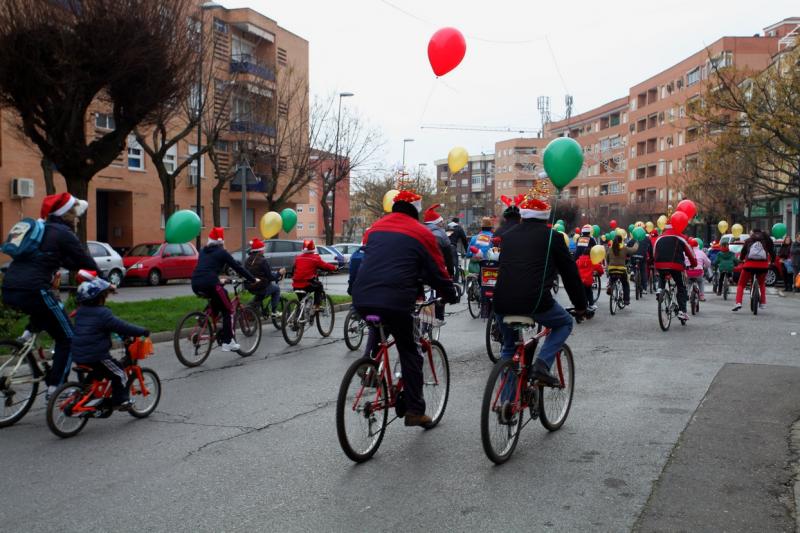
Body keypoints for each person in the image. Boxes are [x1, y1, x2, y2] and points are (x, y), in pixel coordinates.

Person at [352, 189, 458, 428]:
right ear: (416, 210)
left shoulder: (375, 228)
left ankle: (369, 366)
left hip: (362, 297)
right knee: (410, 351)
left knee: (378, 326)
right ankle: (414, 411)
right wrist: (450, 294)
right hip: (397, 300)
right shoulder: (421, 232)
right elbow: (437, 270)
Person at [2, 193, 98, 397]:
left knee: (46, 313)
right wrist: (103, 275)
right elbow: (84, 259)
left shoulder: (44, 231)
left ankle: (26, 336)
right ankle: (56, 388)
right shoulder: (63, 233)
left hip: (10, 288)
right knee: (68, 338)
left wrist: (74, 267)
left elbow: (64, 261)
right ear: (67, 214)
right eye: (75, 213)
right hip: (35, 289)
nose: (78, 218)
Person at [493, 189, 589, 387]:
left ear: (523, 215)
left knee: (509, 350)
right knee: (564, 323)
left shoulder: (508, 236)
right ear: (545, 215)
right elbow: (570, 274)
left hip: (501, 302)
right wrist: (581, 306)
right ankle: (542, 364)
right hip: (535, 301)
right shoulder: (553, 237)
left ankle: (506, 405)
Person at [71, 278, 149, 410]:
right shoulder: (103, 313)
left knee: (97, 373)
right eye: (104, 296)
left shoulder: (80, 312)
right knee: (120, 373)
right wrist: (142, 331)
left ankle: (85, 396)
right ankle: (121, 400)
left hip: (78, 354)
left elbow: (95, 329)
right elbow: (121, 326)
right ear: (99, 299)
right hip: (97, 356)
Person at [191, 227, 258, 352]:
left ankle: (206, 317)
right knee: (228, 309)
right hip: (210, 283)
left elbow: (206, 268)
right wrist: (252, 279)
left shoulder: (203, 251)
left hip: (195, 283)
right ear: (221, 242)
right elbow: (237, 267)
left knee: (218, 296)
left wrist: (218, 279)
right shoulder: (222, 252)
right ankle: (228, 342)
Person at [654, 223, 696, 321]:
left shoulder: (659, 238)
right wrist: (693, 263)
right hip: (676, 266)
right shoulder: (680, 237)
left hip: (660, 265)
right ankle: (682, 311)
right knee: (681, 286)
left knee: (662, 276)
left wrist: (656, 263)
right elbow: (689, 252)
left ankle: (660, 289)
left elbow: (654, 251)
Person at [423, 204, 453, 325]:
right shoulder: (441, 234)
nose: (442, 225)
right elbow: (448, 254)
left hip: (418, 269)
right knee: (442, 288)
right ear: (436, 223)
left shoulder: (419, 230)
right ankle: (439, 317)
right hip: (436, 269)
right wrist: (450, 272)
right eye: (440, 222)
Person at [732, 229, 775, 311]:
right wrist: (772, 261)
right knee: (762, 283)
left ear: (753, 233)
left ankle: (738, 302)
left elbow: (743, 252)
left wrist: (741, 259)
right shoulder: (766, 240)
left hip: (749, 265)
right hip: (763, 266)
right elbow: (772, 252)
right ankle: (762, 303)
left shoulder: (748, 240)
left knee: (741, 284)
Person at [244, 238, 285, 319]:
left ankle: (254, 310)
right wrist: (279, 273)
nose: (264, 250)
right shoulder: (263, 260)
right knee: (276, 289)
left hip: (250, 286)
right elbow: (270, 277)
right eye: (263, 249)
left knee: (259, 296)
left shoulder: (248, 260)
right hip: (260, 286)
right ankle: (274, 312)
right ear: (261, 250)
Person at [292, 239, 337, 311]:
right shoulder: (315, 258)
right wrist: (334, 268)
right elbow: (325, 265)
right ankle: (316, 305)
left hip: (295, 284)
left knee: (302, 302)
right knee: (319, 286)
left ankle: (300, 315)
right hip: (307, 284)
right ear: (313, 248)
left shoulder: (298, 258)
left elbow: (294, 269)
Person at [606, 234, 638, 305]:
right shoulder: (624, 248)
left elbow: (607, 258)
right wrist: (636, 243)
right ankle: (626, 300)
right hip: (621, 270)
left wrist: (609, 265)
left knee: (612, 279)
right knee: (625, 284)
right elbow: (633, 250)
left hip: (612, 269)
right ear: (621, 241)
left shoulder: (610, 248)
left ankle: (610, 286)